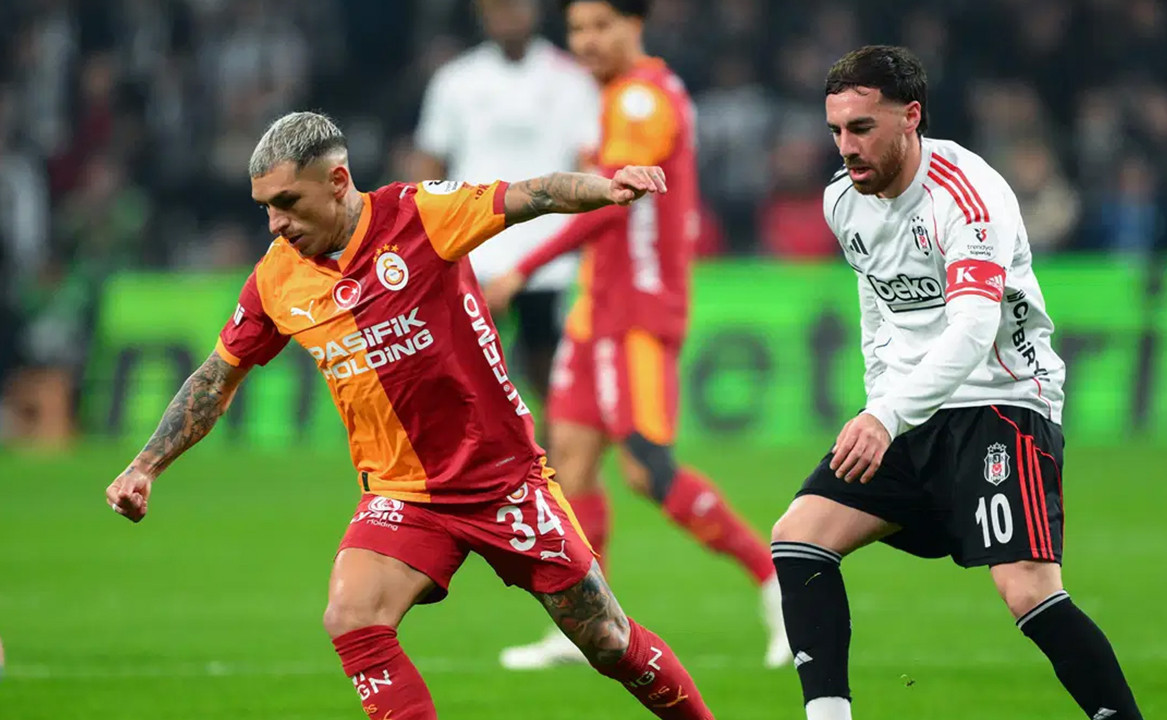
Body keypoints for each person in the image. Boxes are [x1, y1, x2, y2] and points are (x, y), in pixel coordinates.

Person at [105, 111, 715, 720]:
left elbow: (535, 193)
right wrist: (145, 466)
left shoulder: (420, 214)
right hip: (403, 494)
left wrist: (606, 187)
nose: (276, 223)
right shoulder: (275, 279)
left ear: (337, 181)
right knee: (352, 617)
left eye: (287, 202)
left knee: (607, 641)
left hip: (502, 481)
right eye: (265, 207)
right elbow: (216, 378)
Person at [770, 46, 1145, 720]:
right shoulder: (842, 201)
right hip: (909, 410)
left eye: (862, 128)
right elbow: (876, 305)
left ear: (911, 117)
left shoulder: (968, 195)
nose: (846, 147)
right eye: (836, 130)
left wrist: (884, 416)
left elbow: (974, 329)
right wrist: (882, 400)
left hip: (1000, 401)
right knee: (799, 538)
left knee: (1027, 591)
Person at [485, 0, 787, 670]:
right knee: (569, 462)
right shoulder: (618, 98)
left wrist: (521, 269)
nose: (587, 41)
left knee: (647, 469)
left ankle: (776, 581)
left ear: (635, 24)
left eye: (601, 26)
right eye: (577, 30)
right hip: (596, 310)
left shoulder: (643, 99)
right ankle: (592, 624)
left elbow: (611, 204)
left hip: (637, 313)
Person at [412, 0, 599, 409]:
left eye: (514, 7)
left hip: (547, 255)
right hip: (475, 250)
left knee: (550, 375)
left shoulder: (571, 80)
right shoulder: (456, 80)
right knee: (466, 370)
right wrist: (425, 237)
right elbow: (429, 163)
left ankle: (553, 447)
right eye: (496, 9)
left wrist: (586, 234)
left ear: (535, 10)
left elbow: (588, 164)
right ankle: (476, 447)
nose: (506, 16)